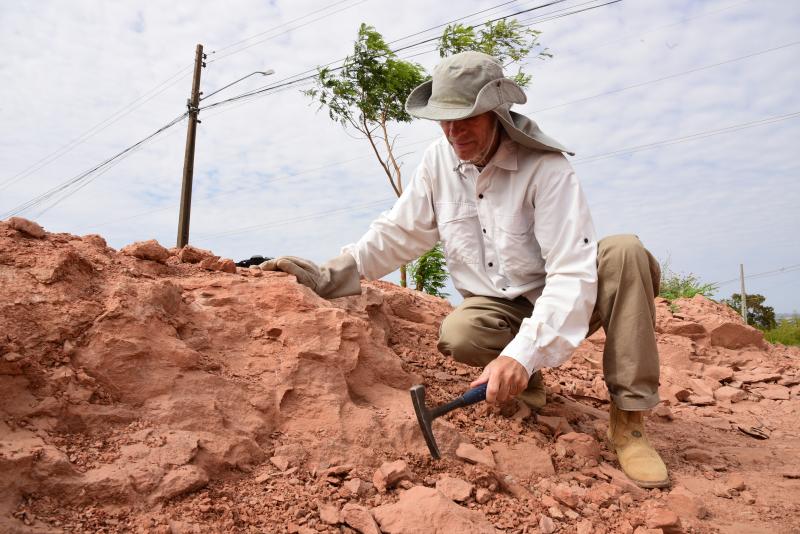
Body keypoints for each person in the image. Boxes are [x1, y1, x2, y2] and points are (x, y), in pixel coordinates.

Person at [261, 51, 669, 488]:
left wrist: (521, 353)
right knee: (460, 334)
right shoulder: (440, 160)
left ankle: (629, 419)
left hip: (567, 294)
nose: (454, 133)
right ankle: (523, 382)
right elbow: (400, 230)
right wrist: (330, 276)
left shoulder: (547, 168)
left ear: (496, 112)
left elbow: (571, 272)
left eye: (466, 119)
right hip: (498, 304)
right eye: (445, 120)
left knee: (626, 251)